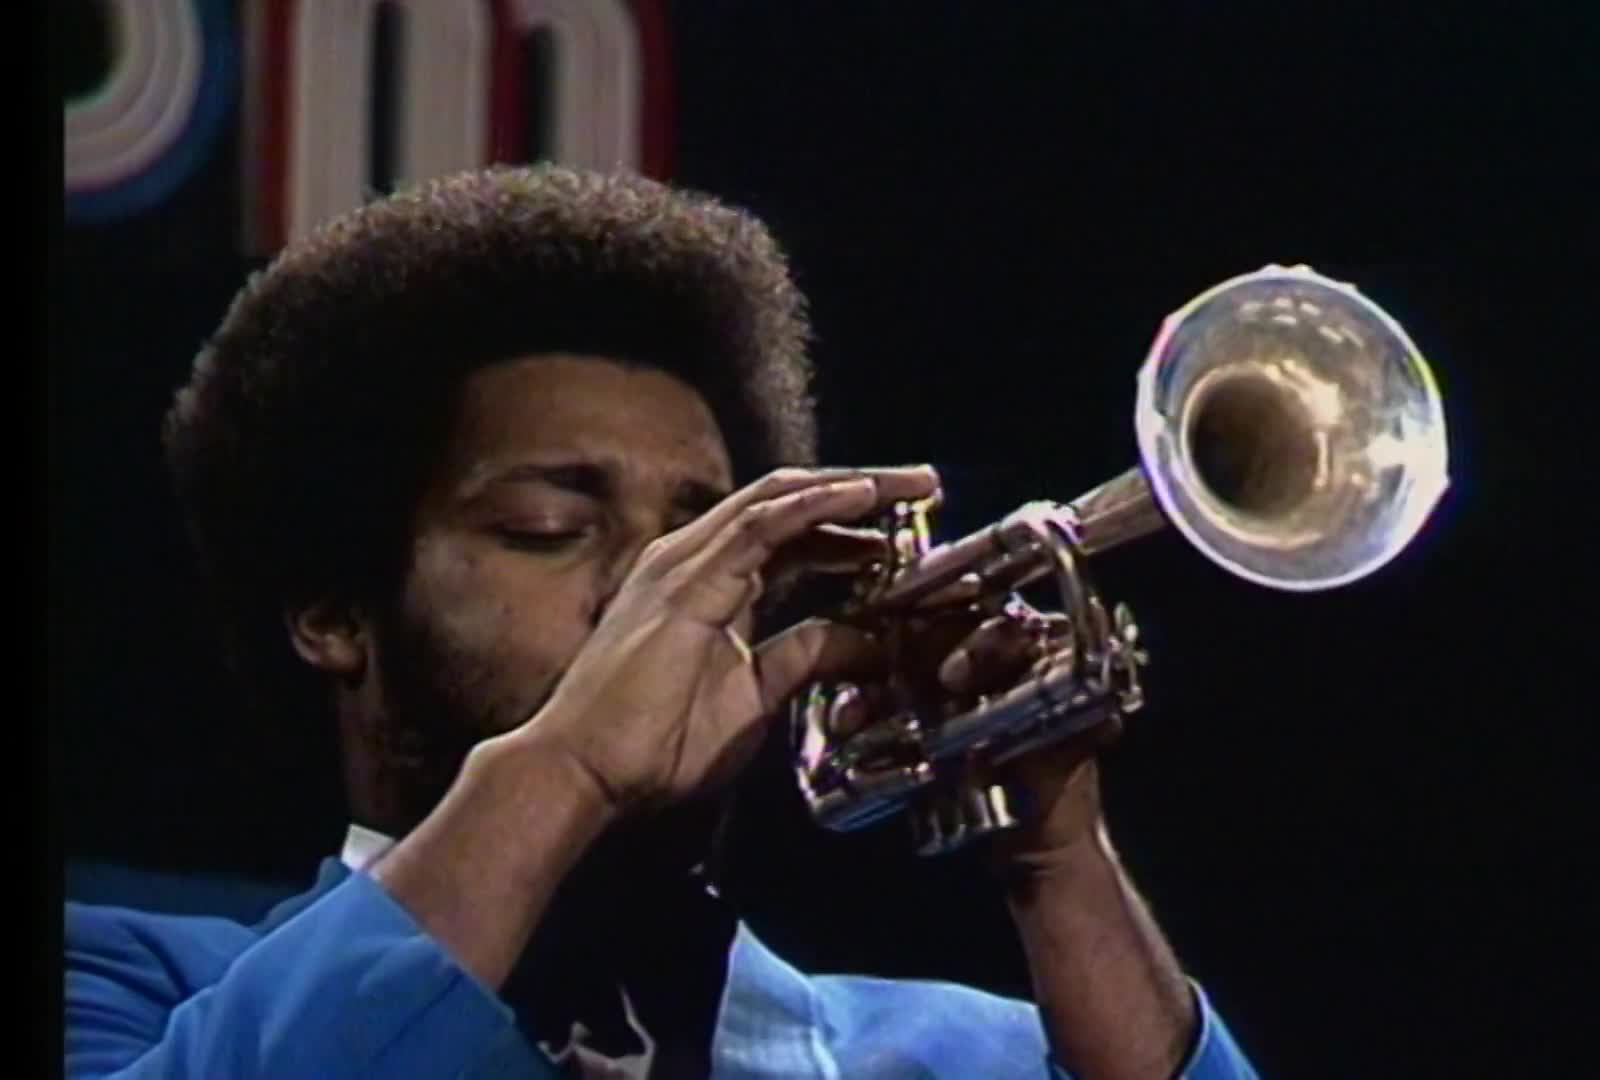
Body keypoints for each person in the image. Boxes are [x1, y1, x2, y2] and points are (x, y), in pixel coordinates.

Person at [62, 165, 1258, 1079]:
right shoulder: (128, 987)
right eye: (545, 527)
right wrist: (570, 763)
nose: (657, 592)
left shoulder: (945, 1055)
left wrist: (1057, 861)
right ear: (333, 613)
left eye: (701, 534)